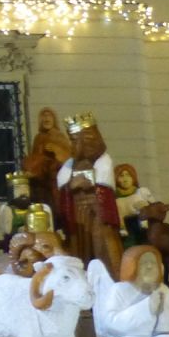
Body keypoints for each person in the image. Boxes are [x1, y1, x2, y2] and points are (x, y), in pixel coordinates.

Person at [56, 114, 123, 277]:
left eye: (74, 140)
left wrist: (84, 183)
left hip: (98, 213)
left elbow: (102, 185)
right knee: (79, 251)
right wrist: (73, 184)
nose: (71, 145)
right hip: (78, 215)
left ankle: (111, 280)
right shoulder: (70, 164)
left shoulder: (103, 160)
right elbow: (64, 185)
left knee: (103, 248)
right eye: (71, 140)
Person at [24, 107, 72, 213]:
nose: (46, 118)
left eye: (49, 116)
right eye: (44, 116)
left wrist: (56, 149)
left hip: (53, 178)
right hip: (40, 180)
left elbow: (67, 156)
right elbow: (35, 156)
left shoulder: (59, 136)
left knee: (55, 206)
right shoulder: (38, 138)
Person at [114, 163, 157, 246]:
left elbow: (151, 203)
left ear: (133, 177)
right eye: (121, 176)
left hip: (142, 231)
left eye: (128, 175)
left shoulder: (140, 192)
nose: (125, 179)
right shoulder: (115, 197)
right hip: (126, 237)